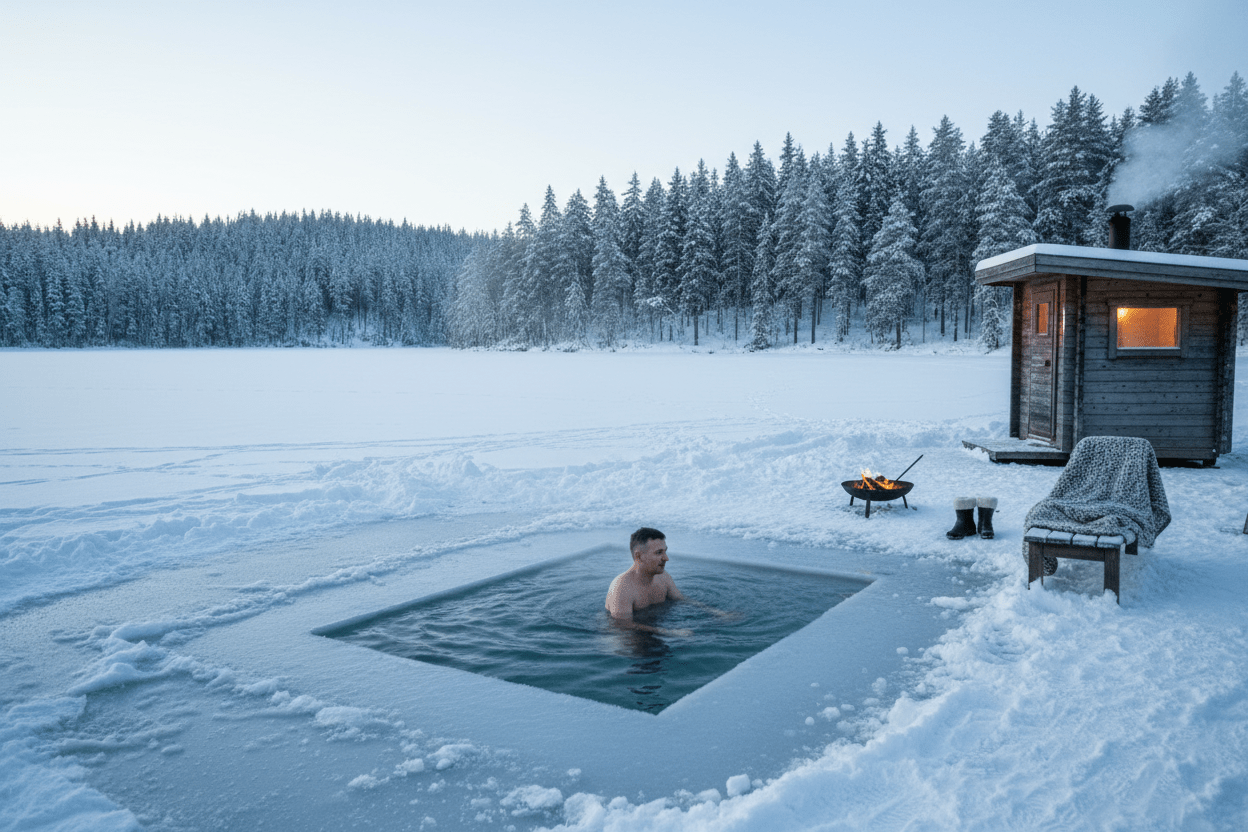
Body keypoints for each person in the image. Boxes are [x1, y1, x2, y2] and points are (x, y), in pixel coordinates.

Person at [605, 528, 732, 636]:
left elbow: (681, 599)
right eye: (659, 553)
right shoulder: (621, 587)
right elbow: (622, 625)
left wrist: (718, 613)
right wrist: (670, 632)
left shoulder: (663, 577)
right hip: (625, 636)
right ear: (639, 556)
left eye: (665, 551)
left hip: (655, 626)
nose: (666, 558)